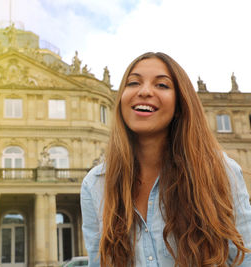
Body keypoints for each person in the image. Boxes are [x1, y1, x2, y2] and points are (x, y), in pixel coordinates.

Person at [81, 52, 251, 267]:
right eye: (133, 82)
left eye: (162, 85)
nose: (144, 91)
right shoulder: (95, 184)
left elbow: (245, 259)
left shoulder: (219, 170)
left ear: (181, 104)